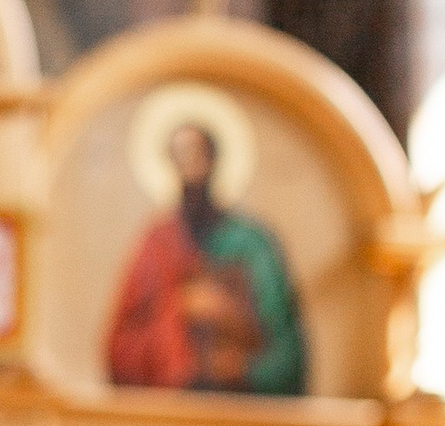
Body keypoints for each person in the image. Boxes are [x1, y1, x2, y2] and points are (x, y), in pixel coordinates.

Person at [106, 117, 306, 396]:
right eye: (180, 156)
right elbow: (120, 350)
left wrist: (241, 365)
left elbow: (287, 359)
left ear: (214, 159)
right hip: (167, 413)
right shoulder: (156, 244)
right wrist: (178, 309)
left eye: (197, 154)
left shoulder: (253, 244)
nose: (190, 165)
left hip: (245, 415)